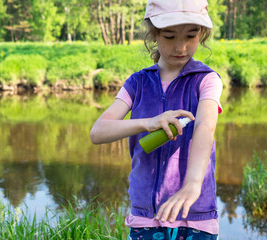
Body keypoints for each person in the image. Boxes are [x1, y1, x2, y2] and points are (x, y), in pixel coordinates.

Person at [90, 0, 223, 239]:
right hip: (146, 216)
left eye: (191, 36)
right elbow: (98, 132)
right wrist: (148, 122)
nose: (181, 47)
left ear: (201, 34)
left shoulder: (206, 80)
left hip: (195, 214)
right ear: (153, 33)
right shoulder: (137, 83)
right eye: (170, 36)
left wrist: (192, 185)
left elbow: (205, 126)